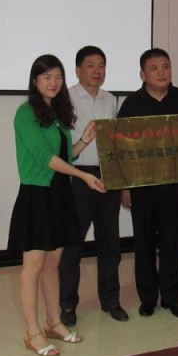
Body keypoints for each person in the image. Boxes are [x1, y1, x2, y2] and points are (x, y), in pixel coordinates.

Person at [7, 54, 106, 356]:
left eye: (58, 77)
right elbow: (44, 158)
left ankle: (53, 322)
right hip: (38, 195)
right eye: (46, 76)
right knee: (33, 266)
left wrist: (85, 140)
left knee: (53, 264)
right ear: (35, 81)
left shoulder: (59, 114)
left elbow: (67, 155)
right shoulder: (25, 113)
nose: (53, 82)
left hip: (60, 194)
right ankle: (32, 332)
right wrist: (84, 176)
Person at [117, 48, 178, 319]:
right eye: (154, 68)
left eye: (166, 66)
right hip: (142, 187)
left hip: (175, 185)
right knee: (144, 244)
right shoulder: (131, 104)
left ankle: (172, 298)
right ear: (142, 74)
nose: (161, 72)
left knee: (173, 243)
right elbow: (122, 148)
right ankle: (148, 298)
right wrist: (125, 186)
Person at [58, 46, 128, 326]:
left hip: (107, 176)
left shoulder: (110, 100)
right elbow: (61, 146)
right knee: (72, 246)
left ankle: (111, 301)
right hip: (77, 177)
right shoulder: (65, 99)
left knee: (110, 244)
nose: (97, 71)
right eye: (90, 65)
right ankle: (67, 305)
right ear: (77, 70)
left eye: (101, 65)